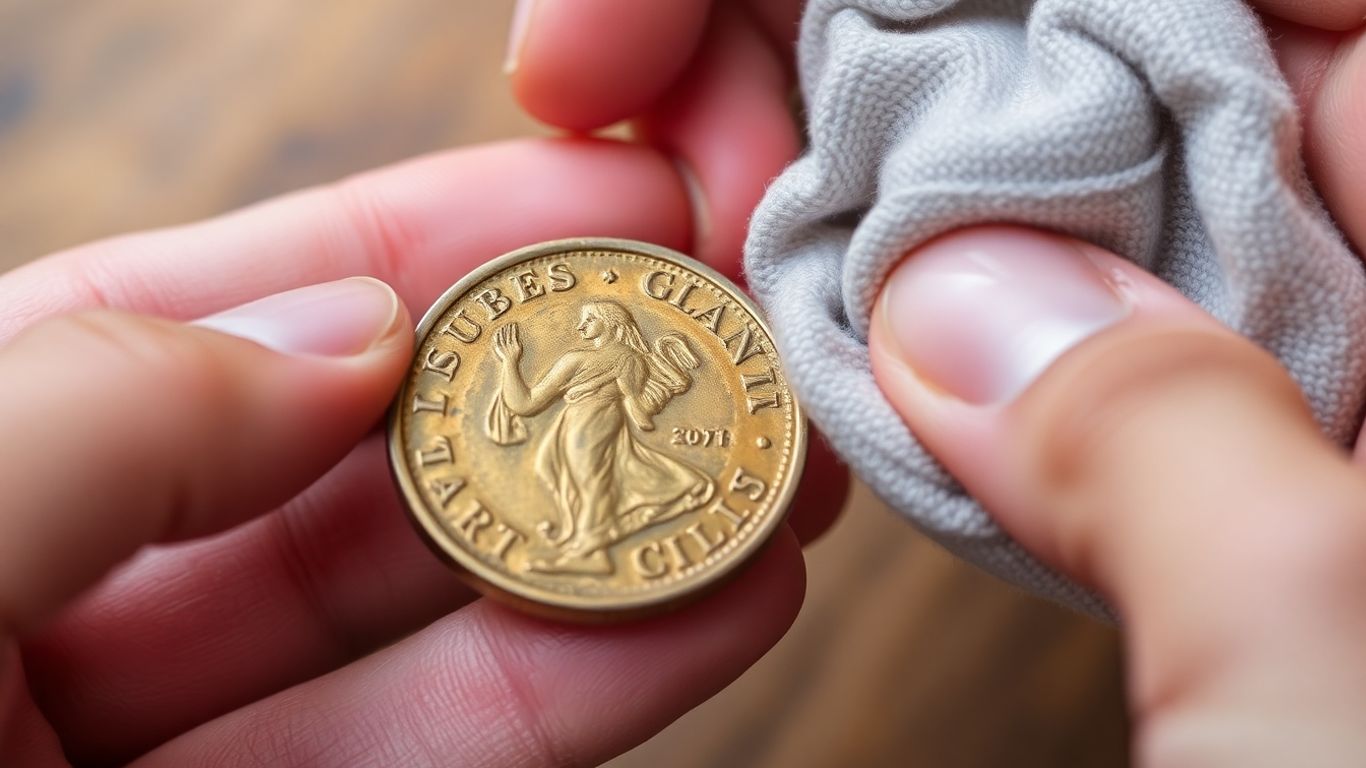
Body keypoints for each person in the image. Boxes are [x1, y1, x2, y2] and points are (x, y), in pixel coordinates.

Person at [0, 0, 1361, 764]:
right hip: (578, 432)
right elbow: (542, 406)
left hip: (627, 434)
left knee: (614, 474)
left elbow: (640, 387)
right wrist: (525, 398)